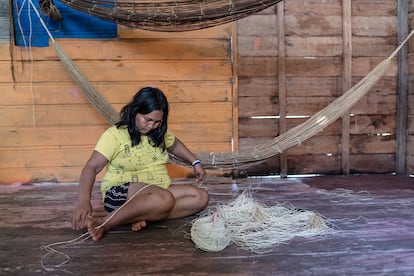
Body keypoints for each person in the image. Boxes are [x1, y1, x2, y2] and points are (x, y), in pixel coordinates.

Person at [71, 87, 209, 241]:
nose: (151, 126)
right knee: (164, 199)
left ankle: (144, 215)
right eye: (148, 119)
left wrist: (194, 162)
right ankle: (105, 223)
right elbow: (91, 167)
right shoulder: (115, 135)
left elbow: (175, 145)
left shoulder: (159, 133)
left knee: (200, 197)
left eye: (157, 122)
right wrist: (84, 201)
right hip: (120, 193)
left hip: (158, 192)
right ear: (135, 111)